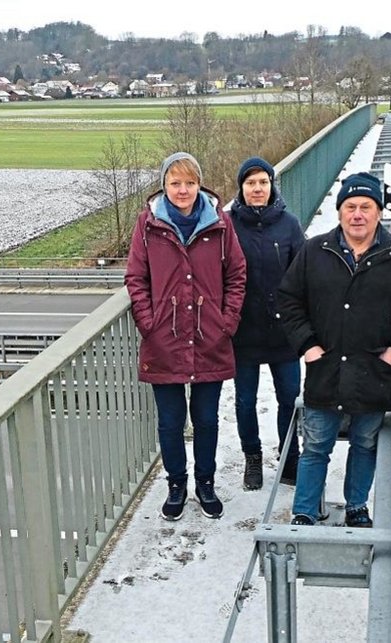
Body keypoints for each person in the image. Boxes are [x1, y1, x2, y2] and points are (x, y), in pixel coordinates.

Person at [278, 172, 391, 527]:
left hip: (374, 372)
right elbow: (288, 300)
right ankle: (304, 510)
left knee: (365, 444)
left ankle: (356, 506)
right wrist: (307, 345)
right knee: (316, 445)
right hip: (325, 370)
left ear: (379, 211)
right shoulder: (315, 251)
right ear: (339, 212)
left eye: (366, 207)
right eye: (350, 206)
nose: (357, 215)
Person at [125, 152, 246, 521]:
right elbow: (136, 278)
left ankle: (205, 483)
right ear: (164, 185)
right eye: (175, 183)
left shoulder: (220, 223)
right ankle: (176, 484)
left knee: (207, 419)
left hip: (210, 336)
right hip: (165, 338)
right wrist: (149, 323)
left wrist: (226, 322)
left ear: (199, 184)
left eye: (189, 183)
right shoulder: (148, 224)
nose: (182, 190)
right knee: (170, 421)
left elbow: (236, 275)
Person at [229, 157, 305, 491]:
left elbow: (303, 276)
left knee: (289, 397)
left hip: (283, 332)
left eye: (263, 182)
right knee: (245, 401)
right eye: (250, 183)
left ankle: (290, 457)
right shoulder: (228, 225)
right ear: (241, 188)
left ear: (272, 185)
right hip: (243, 330)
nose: (257, 189)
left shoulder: (289, 225)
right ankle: (252, 457)